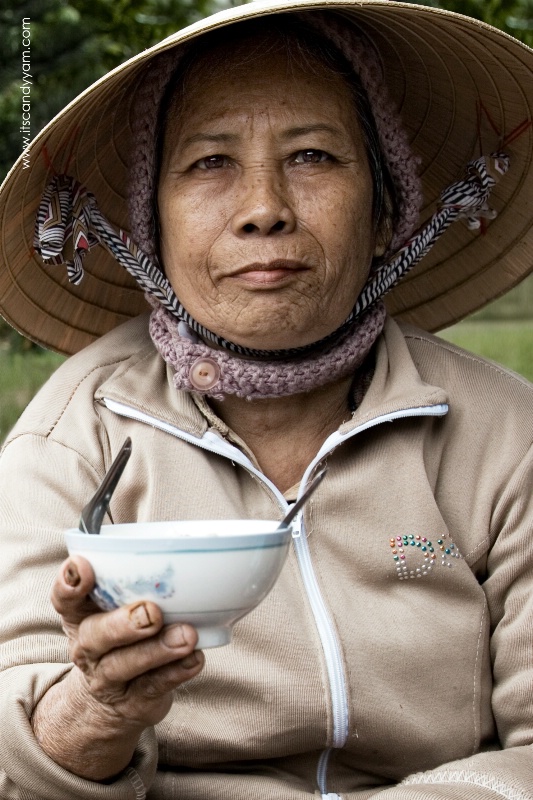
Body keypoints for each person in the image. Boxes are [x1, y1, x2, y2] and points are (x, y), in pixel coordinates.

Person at [0, 1, 532, 798]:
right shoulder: (73, 437)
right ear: (152, 226)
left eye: (313, 156)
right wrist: (99, 710)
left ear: (387, 213)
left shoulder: (501, 431)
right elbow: (17, 761)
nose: (263, 209)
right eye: (209, 163)